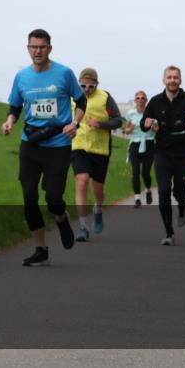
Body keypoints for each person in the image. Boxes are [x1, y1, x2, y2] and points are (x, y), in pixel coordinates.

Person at [1, 28, 84, 266]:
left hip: (58, 144)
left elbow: (81, 101)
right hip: (31, 144)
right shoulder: (22, 77)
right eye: (33, 47)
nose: (37, 51)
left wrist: (75, 122)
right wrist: (9, 121)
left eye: (42, 47)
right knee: (29, 196)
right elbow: (15, 106)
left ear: (50, 48)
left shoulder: (64, 73)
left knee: (54, 197)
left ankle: (61, 217)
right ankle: (40, 249)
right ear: (28, 48)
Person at [141, 66, 185, 246]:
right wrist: (146, 124)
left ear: (180, 80)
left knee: (180, 192)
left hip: (184, 154)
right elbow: (143, 123)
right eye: (169, 77)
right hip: (162, 152)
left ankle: (182, 206)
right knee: (163, 192)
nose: (172, 80)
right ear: (163, 80)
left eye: (175, 77)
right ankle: (169, 232)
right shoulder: (155, 102)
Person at [70, 68, 123, 240]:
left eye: (90, 86)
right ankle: (83, 227)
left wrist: (100, 124)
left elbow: (118, 121)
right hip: (78, 146)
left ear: (96, 85)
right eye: (83, 86)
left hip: (100, 149)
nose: (86, 89)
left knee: (98, 189)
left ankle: (98, 208)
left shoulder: (105, 97)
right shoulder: (71, 97)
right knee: (82, 180)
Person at [123, 90, 155, 208]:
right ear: (135, 100)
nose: (140, 100)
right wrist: (129, 129)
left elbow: (158, 130)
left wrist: (152, 126)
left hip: (149, 143)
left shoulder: (151, 113)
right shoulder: (131, 113)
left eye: (142, 98)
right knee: (135, 172)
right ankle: (137, 198)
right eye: (138, 98)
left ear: (146, 100)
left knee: (145, 172)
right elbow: (125, 130)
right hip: (135, 144)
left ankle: (148, 190)